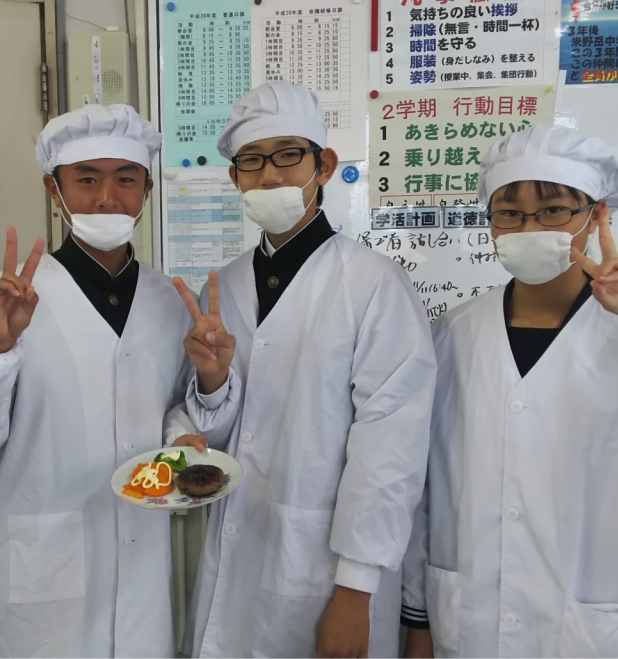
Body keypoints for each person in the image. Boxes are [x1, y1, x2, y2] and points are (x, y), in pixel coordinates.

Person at [400, 124, 618, 657]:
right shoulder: (452, 333)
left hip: (599, 630)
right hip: (470, 624)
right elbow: (424, 490)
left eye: (554, 209)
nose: (529, 227)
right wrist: (418, 619)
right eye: (509, 212)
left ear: (596, 214)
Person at [174, 82, 437, 658]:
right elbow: (218, 436)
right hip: (238, 551)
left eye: (289, 154)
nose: (270, 176)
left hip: (329, 569)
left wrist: (356, 591)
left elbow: (390, 447)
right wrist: (212, 383)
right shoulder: (223, 286)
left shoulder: (373, 283)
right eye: (252, 161)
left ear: (324, 166)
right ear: (235, 178)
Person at [0, 103, 199, 657]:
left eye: (126, 179)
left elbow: (176, 408)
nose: (107, 198)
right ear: (55, 190)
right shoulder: (2, 300)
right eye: (87, 179)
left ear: (147, 191)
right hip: (43, 570)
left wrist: (181, 437)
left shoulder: (171, 302)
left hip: (142, 555)